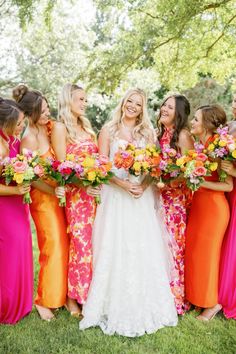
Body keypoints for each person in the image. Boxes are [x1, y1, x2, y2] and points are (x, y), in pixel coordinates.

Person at [79, 88, 178, 337]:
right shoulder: (108, 131)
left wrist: (142, 186)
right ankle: (111, 303)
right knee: (117, 246)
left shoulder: (148, 132)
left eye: (138, 103)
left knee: (142, 246)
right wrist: (124, 184)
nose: (132, 106)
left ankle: (148, 303)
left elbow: (155, 167)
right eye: (129, 101)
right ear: (123, 103)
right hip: (116, 197)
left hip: (140, 198)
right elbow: (101, 167)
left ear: (143, 108)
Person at [13, 84, 69, 321]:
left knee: (63, 244)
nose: (48, 113)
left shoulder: (47, 129)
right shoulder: (28, 140)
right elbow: (32, 179)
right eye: (43, 110)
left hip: (57, 196)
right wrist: (54, 191)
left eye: (47, 108)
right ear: (31, 114)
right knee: (52, 246)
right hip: (43, 200)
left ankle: (61, 295)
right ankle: (44, 300)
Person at [51, 83, 100, 316]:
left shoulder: (87, 128)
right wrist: (85, 183)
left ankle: (91, 295)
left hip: (96, 197)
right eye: (80, 99)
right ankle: (73, 297)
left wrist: (97, 180)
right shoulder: (60, 128)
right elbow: (62, 169)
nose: (85, 103)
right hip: (77, 197)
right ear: (68, 100)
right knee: (80, 246)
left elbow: (98, 161)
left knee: (95, 245)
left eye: (85, 100)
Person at [185, 104, 232, 321]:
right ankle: (198, 298)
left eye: (196, 119)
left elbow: (228, 186)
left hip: (214, 209)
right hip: (199, 207)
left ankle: (212, 304)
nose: (192, 122)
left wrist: (200, 182)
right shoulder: (200, 145)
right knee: (196, 254)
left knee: (208, 256)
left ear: (207, 124)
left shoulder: (218, 148)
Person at [157, 94, 194, 314]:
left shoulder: (183, 135)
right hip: (159, 198)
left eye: (169, 107)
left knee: (173, 247)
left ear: (178, 113)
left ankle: (176, 298)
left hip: (176, 201)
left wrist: (169, 184)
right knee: (160, 246)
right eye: (163, 105)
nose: (163, 109)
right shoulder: (160, 134)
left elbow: (191, 172)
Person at [0, 97, 33, 324]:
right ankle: (6, 305)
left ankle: (21, 302)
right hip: (4, 206)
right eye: (20, 122)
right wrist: (15, 191)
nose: (22, 125)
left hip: (19, 205)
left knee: (22, 247)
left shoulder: (13, 140)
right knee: (9, 253)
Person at [218, 95, 236, 320]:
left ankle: (229, 297)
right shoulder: (228, 127)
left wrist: (232, 172)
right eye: (234, 101)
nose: (234, 105)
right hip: (227, 191)